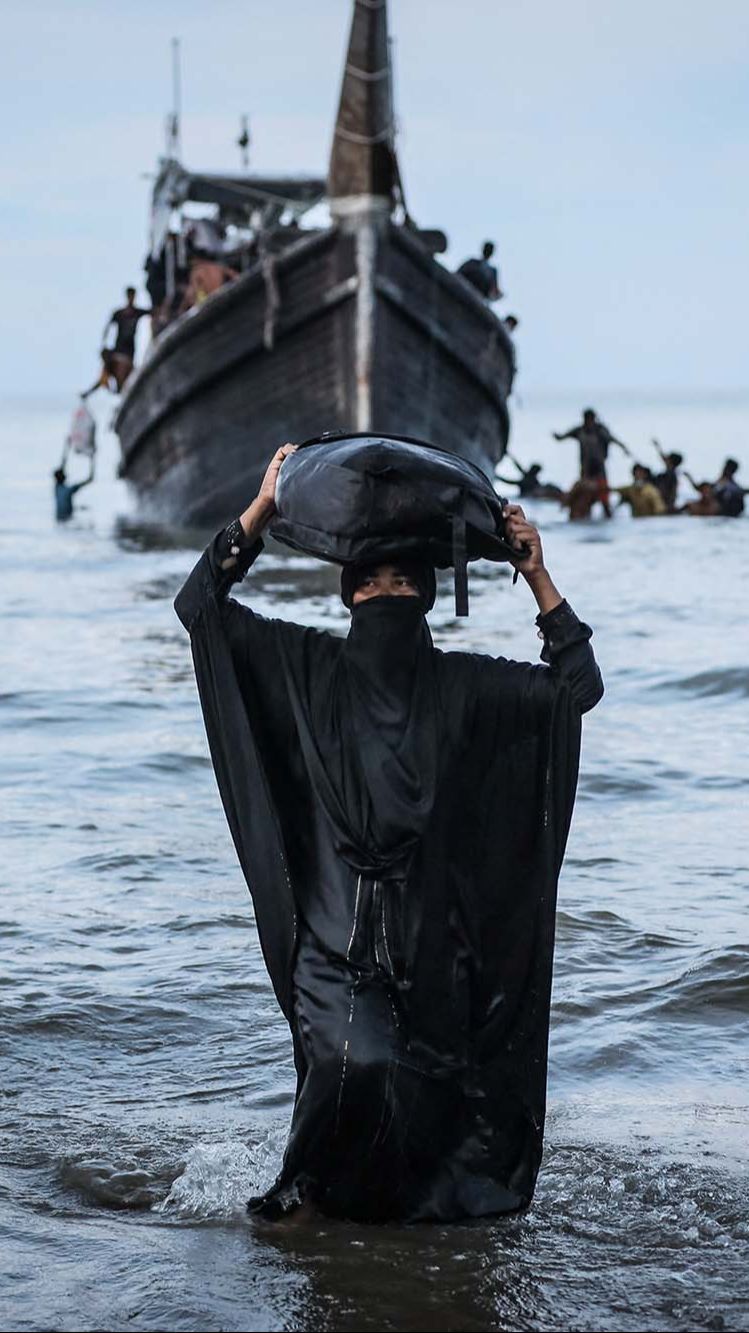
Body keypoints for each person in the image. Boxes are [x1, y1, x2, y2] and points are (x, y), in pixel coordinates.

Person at [174, 443, 603, 1224]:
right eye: (371, 582)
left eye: (404, 583)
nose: (386, 594)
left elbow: (577, 689)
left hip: (432, 945)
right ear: (347, 597)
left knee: (432, 1109)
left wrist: (534, 571)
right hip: (331, 935)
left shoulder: (465, 687)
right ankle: (292, 1205)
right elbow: (200, 608)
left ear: (428, 600)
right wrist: (263, 507)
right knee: (355, 1060)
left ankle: (376, 1239)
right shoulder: (305, 665)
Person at [552, 409, 632, 518]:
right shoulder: (580, 430)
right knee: (584, 496)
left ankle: (607, 516)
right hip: (585, 469)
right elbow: (564, 436)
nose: (588, 422)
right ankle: (584, 514)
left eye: (590, 419)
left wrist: (624, 449)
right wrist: (558, 437)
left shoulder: (600, 430)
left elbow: (613, 439)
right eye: (586, 419)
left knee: (603, 498)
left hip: (600, 469)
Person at [81, 287, 150, 397]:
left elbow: (153, 312)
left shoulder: (137, 312)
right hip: (119, 349)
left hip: (129, 352)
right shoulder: (119, 314)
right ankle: (91, 394)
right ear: (127, 296)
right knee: (112, 374)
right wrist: (104, 342)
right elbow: (108, 328)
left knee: (126, 378)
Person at [496, 454, 563, 500]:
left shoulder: (529, 479)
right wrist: (511, 458)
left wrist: (498, 477)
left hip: (532, 495)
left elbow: (511, 481)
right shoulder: (529, 478)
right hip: (531, 495)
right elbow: (518, 469)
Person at [53, 457, 95, 522]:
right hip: (67, 518)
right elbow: (90, 479)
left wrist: (67, 449)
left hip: (58, 518)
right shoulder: (69, 490)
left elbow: (62, 466)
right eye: (64, 474)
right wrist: (92, 461)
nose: (66, 474)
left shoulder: (56, 488)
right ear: (63, 477)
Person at [650, 440, 683, 512]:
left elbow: (672, 492)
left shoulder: (670, 475)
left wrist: (669, 505)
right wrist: (657, 447)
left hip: (665, 503)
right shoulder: (670, 473)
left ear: (670, 461)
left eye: (667, 458)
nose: (665, 460)